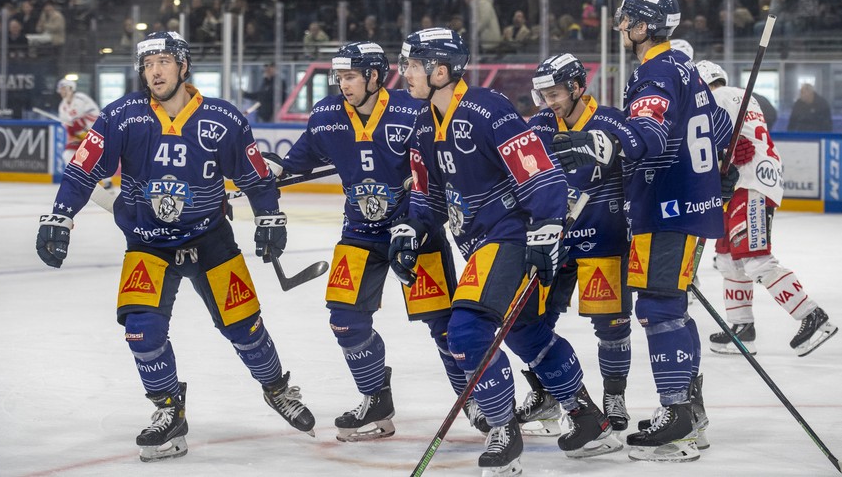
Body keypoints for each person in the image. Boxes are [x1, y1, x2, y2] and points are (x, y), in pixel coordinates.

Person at [35, 31, 316, 462]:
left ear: (183, 66)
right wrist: (60, 216)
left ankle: (277, 388)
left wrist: (270, 217)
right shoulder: (123, 115)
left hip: (210, 239)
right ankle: (169, 410)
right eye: (147, 64)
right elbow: (82, 171)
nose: (155, 71)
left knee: (245, 328)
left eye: (164, 61)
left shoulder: (223, 118)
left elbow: (255, 176)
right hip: (147, 244)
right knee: (141, 332)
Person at [393, 27, 620, 475]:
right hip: (476, 242)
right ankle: (587, 417)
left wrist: (546, 230)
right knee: (527, 332)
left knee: (468, 330)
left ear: (441, 70)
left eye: (413, 65)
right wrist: (409, 228)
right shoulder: (424, 124)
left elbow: (539, 172)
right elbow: (428, 195)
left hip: (509, 236)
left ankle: (502, 428)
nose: (405, 74)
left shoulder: (486, 108)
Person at [261, 41, 480, 442]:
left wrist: (417, 221)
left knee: (444, 325)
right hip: (359, 234)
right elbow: (295, 162)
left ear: (374, 76)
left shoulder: (413, 109)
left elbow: (438, 170)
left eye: (350, 76)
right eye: (339, 77)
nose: (342, 84)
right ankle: (376, 399)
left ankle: (475, 401)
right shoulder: (327, 115)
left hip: (416, 231)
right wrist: (275, 168)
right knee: (345, 321)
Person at [550, 0, 733, 462]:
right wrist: (715, 170)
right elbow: (718, 130)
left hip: (666, 206)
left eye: (630, 18)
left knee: (657, 309)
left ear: (648, 25)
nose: (623, 24)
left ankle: (677, 421)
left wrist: (600, 140)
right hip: (690, 203)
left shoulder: (654, 69)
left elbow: (647, 135)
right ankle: (692, 414)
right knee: (672, 306)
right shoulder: (687, 68)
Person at [695, 60, 838, 357]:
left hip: (749, 185)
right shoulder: (745, 98)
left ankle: (812, 316)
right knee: (727, 257)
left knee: (754, 259)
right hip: (745, 183)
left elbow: (703, 141)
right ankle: (742, 328)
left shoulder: (716, 98)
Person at [523, 53, 633, 438]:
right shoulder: (538, 125)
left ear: (576, 87)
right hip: (553, 240)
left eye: (554, 93)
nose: (548, 102)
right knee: (533, 321)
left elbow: (643, 165)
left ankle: (615, 397)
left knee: (612, 325)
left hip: (603, 238)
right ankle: (547, 392)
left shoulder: (612, 121)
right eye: (543, 95)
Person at [56, 78, 100, 165]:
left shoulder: (81, 99)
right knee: (68, 155)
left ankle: (107, 179)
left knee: (97, 159)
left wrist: (81, 122)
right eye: (61, 89)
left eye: (64, 88)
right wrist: (70, 129)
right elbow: (66, 124)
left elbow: (96, 115)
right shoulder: (62, 106)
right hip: (78, 136)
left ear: (71, 89)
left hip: (93, 134)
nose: (62, 91)